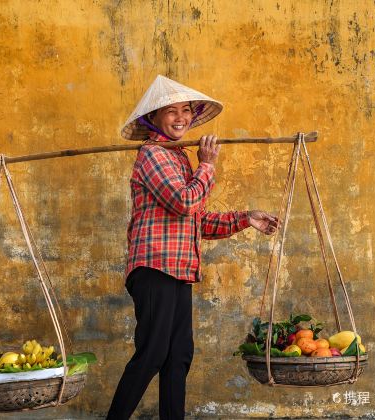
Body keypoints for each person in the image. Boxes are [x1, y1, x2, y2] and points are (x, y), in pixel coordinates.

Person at [107, 75, 279, 419]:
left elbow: (196, 221)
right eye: (170, 111)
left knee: (178, 354)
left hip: (179, 269)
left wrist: (247, 218)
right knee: (153, 352)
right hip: (155, 266)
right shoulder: (152, 155)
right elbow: (185, 202)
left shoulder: (180, 159)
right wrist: (208, 165)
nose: (181, 118)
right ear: (152, 118)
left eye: (185, 110)